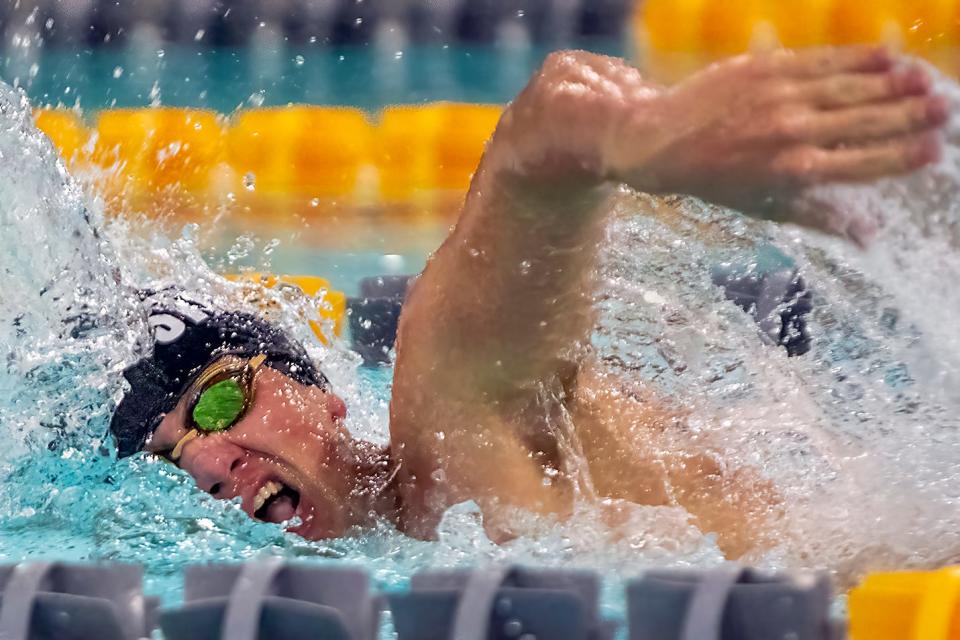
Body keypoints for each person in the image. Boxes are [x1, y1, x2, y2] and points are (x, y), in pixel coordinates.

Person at [112, 46, 949, 559]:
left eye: (219, 401)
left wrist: (647, 138)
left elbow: (549, 116)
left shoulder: (447, 425)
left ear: (320, 391)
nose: (208, 466)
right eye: (170, 459)